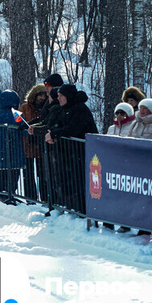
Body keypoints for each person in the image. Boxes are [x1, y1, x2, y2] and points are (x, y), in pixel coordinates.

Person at [44, 84, 97, 212]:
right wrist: (53, 132)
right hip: (70, 153)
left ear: (68, 96)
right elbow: (60, 125)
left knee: (80, 181)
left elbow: (73, 129)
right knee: (70, 181)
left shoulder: (79, 109)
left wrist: (55, 133)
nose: (59, 99)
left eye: (61, 96)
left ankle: (82, 210)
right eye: (58, 96)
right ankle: (72, 207)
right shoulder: (66, 108)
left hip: (82, 152)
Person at [0, 90, 25, 199]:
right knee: (13, 174)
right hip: (15, 149)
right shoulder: (17, 115)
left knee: (0, 175)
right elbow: (25, 130)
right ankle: (10, 194)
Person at [18, 84, 48, 201]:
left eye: (44, 95)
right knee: (28, 174)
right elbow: (19, 121)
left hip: (41, 146)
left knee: (43, 174)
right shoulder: (25, 107)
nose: (42, 98)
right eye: (40, 95)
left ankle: (45, 197)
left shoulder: (46, 108)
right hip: (28, 145)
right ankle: (30, 198)